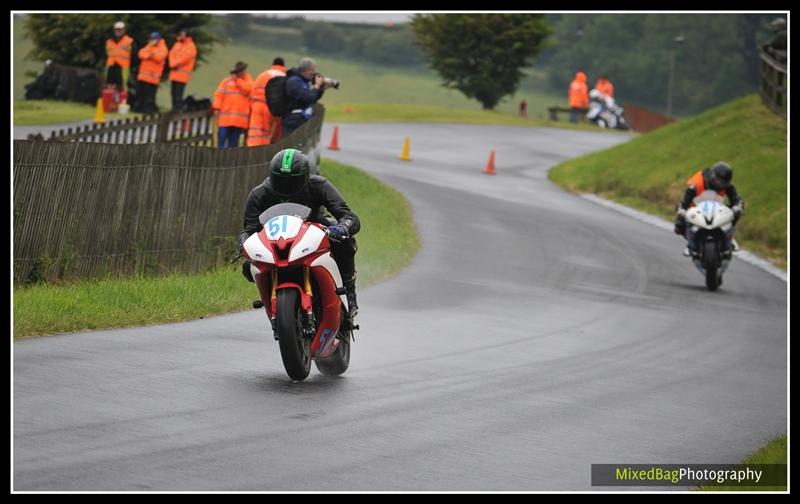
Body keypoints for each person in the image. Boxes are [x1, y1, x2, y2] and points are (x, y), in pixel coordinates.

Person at [239, 148, 360, 321]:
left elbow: (349, 216)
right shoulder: (259, 194)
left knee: (345, 243)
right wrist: (244, 241)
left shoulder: (319, 185)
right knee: (248, 265)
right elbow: (249, 229)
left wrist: (343, 228)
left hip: (314, 229)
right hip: (276, 237)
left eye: (291, 182)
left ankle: (349, 292)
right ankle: (270, 299)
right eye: (280, 180)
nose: (285, 187)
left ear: (305, 177)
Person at [674, 161, 744, 257]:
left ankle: (729, 236)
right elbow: (684, 201)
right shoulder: (696, 183)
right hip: (695, 207)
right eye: (717, 180)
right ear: (712, 175)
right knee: (679, 224)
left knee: (737, 211)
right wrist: (681, 210)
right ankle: (690, 243)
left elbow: (736, 199)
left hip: (717, 207)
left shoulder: (728, 186)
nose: (719, 184)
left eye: (723, 182)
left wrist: (737, 207)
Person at [281, 57, 332, 138]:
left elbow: (312, 99)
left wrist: (321, 88)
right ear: (306, 70)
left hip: (299, 120)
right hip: (293, 121)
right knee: (291, 149)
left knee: (299, 148)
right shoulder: (294, 81)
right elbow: (307, 98)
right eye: (312, 70)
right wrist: (316, 86)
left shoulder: (302, 82)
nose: (314, 73)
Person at [247, 57, 287, 146]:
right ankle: (264, 151)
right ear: (283, 66)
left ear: (272, 65)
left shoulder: (263, 74)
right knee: (267, 131)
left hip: (257, 105)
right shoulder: (285, 76)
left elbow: (253, 91)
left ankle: (252, 149)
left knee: (255, 130)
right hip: (272, 108)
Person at [212, 62, 253, 148]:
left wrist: (237, 81)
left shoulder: (248, 81)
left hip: (238, 121)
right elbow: (218, 95)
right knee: (221, 142)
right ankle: (220, 159)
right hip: (225, 119)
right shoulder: (226, 81)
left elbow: (248, 89)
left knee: (233, 145)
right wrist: (216, 108)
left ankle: (228, 161)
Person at [135, 31, 168, 114]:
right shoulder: (149, 45)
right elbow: (141, 54)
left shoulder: (163, 48)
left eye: (154, 39)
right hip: (143, 76)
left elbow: (159, 57)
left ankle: (148, 110)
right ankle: (138, 108)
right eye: (151, 38)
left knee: (150, 96)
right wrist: (150, 55)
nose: (152, 40)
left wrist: (150, 54)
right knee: (140, 93)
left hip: (153, 77)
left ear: (159, 39)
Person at [168, 28, 197, 112]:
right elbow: (171, 54)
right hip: (174, 72)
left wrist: (175, 63)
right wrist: (172, 63)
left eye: (183, 34)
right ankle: (174, 108)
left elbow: (186, 58)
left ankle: (178, 109)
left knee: (178, 93)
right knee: (173, 92)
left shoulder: (191, 46)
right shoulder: (177, 44)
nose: (181, 35)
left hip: (182, 74)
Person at [105, 21, 135, 91]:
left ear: (124, 30)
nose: (118, 31)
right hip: (111, 65)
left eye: (120, 29)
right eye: (117, 29)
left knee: (122, 86)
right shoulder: (109, 41)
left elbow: (134, 55)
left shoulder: (129, 41)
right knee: (109, 85)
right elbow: (107, 53)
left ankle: (123, 101)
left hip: (123, 67)